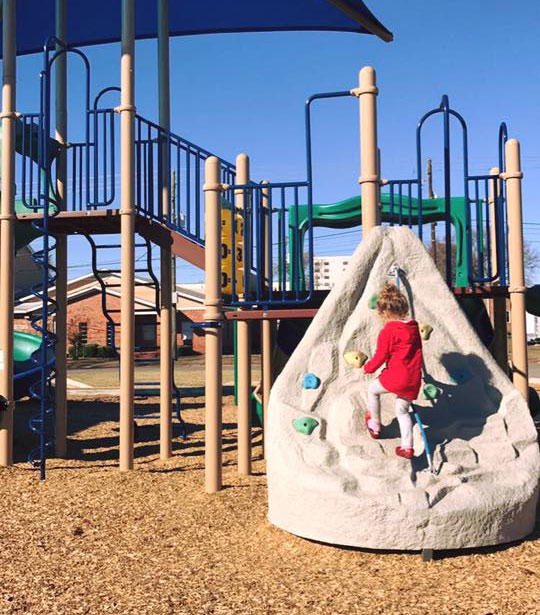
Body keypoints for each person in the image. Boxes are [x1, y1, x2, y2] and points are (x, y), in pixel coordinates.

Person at [363, 283, 422, 459]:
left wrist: (369, 367)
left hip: (396, 377)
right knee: (402, 412)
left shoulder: (388, 331)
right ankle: (407, 447)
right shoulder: (413, 327)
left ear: (385, 313)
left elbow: (381, 355)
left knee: (373, 390)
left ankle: (375, 423)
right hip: (413, 378)